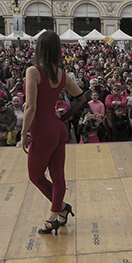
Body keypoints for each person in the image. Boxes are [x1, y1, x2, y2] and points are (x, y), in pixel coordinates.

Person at [20, 31, 84, 235]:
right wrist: (64, 119)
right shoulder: (62, 74)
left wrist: (23, 133)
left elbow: (30, 106)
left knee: (36, 176)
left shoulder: (34, 71)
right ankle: (60, 211)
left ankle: (57, 211)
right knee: (58, 176)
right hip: (58, 128)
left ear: (39, 48)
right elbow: (81, 98)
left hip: (42, 130)